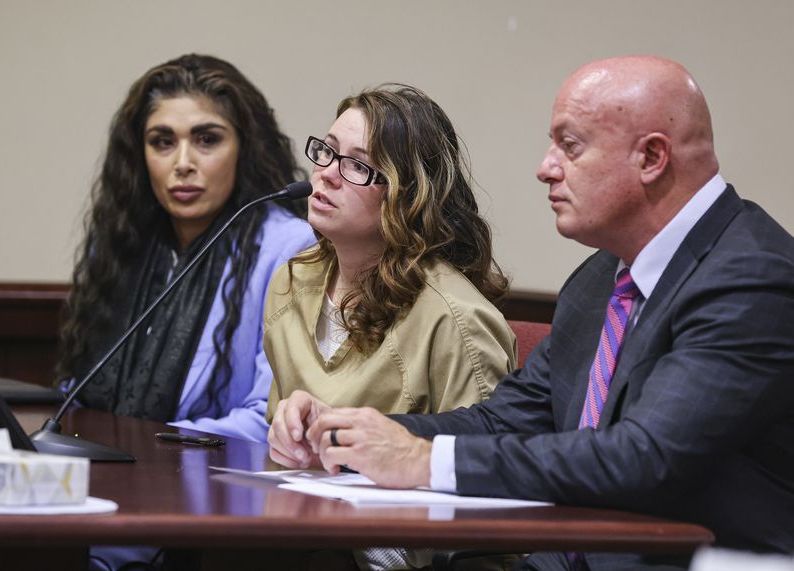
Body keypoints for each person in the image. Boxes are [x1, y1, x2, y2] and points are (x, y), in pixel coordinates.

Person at [269, 56, 794, 570]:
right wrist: (353, 436)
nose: (545, 167)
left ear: (652, 158)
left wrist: (421, 461)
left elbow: (644, 458)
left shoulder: (751, 278)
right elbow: (504, 420)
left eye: (570, 145)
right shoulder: (598, 281)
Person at [264, 85, 517, 570]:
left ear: (410, 193)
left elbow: (487, 505)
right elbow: (281, 446)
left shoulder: (455, 318)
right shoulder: (291, 282)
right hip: (301, 531)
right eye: (327, 151)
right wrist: (286, 438)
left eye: (357, 165)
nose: (326, 174)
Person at [56, 54, 315, 443]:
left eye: (207, 139)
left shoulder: (288, 247)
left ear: (245, 148)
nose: (183, 163)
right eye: (162, 142)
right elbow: (79, 392)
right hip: (104, 471)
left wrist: (140, 444)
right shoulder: (123, 243)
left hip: (215, 488)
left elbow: (271, 420)